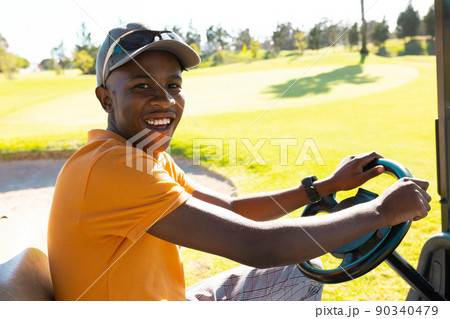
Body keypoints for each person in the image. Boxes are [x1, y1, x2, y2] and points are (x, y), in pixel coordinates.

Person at [47, 22, 431, 301]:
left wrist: (322, 187)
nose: (165, 100)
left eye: (174, 85)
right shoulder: (111, 168)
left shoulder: (140, 156)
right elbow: (254, 244)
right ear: (106, 99)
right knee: (292, 260)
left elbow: (233, 210)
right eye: (142, 85)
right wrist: (382, 210)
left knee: (298, 267)